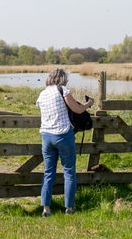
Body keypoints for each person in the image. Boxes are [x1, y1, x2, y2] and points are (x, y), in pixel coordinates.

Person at [36, 68, 94, 216]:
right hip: (62, 135)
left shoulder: (42, 94)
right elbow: (78, 109)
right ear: (62, 79)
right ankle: (69, 207)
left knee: (48, 172)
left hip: (46, 136)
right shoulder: (62, 90)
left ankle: (46, 208)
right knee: (68, 171)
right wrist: (89, 103)